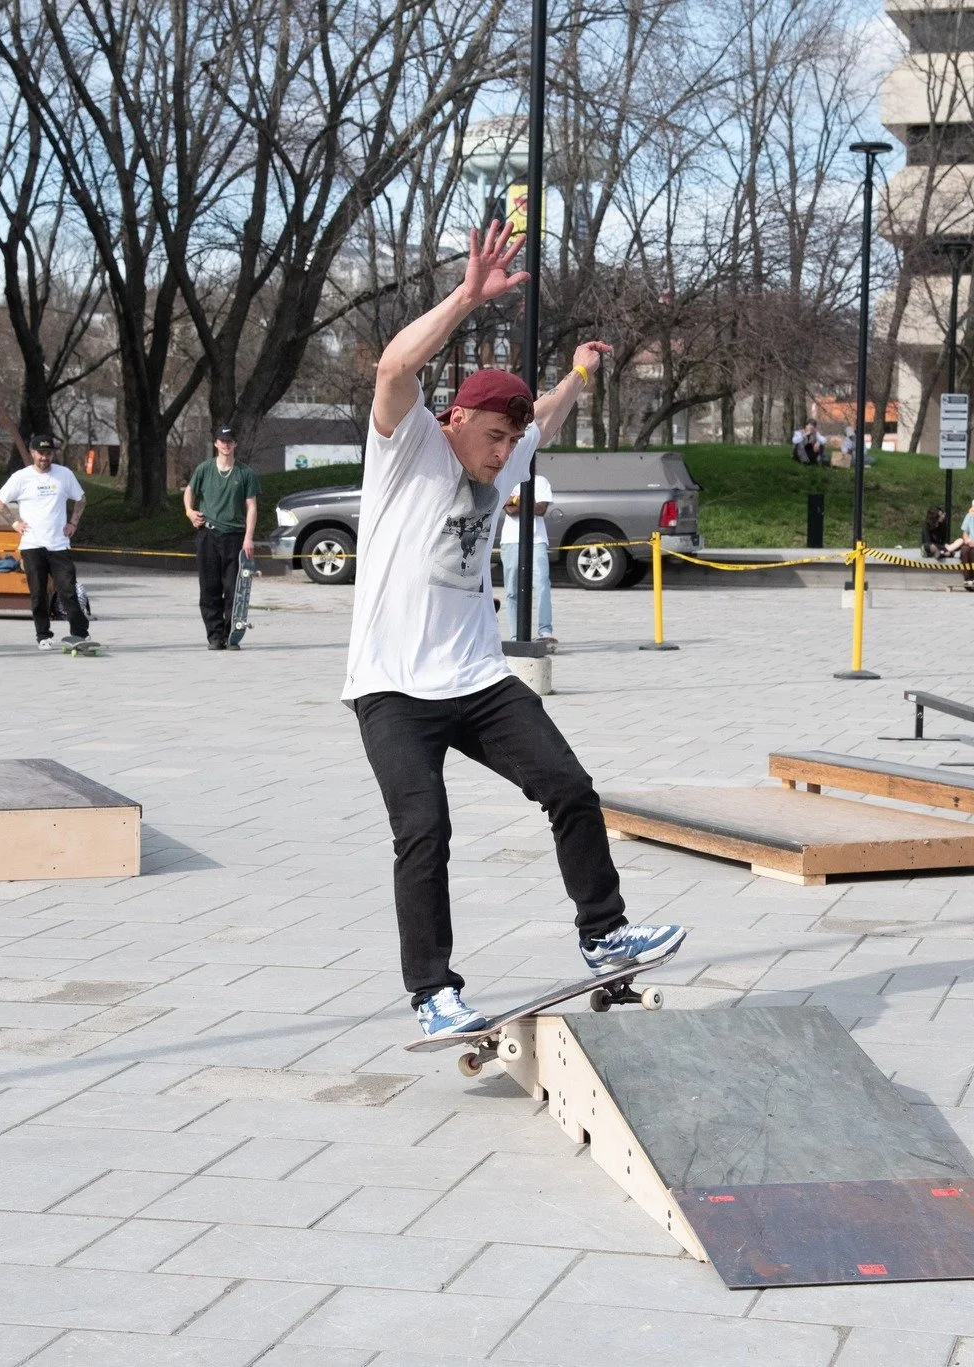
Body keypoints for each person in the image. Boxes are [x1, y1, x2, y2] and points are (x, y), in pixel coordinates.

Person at [348, 219, 684, 1040]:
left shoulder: (507, 451)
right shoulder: (408, 447)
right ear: (457, 419)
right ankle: (433, 991)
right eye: (492, 439)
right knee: (424, 828)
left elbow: (546, 419)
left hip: (478, 682)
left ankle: (604, 934)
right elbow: (395, 366)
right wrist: (467, 296)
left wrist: (579, 375)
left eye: (509, 443)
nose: (502, 457)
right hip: (391, 688)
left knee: (570, 787)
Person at [0, 433, 90, 650]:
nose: (44, 458)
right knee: (38, 593)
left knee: (68, 590)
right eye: (40, 453)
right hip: (32, 545)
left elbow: (81, 499)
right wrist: (15, 523)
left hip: (58, 544)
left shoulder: (64, 475)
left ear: (52, 454)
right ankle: (43, 635)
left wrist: (73, 523)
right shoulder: (21, 477)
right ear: (32, 453)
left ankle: (80, 633)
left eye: (48, 453)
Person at [184, 425, 260, 650]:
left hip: (235, 537)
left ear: (235, 444)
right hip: (208, 534)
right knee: (209, 587)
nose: (226, 445)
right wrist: (189, 511)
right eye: (222, 441)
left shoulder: (245, 473)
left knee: (234, 587)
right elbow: (189, 490)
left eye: (230, 441)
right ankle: (214, 636)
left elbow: (252, 507)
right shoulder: (205, 469)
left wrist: (248, 537)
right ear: (216, 443)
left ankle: (231, 634)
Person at [499, 474, 556, 647]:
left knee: (542, 583)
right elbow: (509, 511)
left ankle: (545, 630)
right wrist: (526, 502)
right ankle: (517, 635)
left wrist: (515, 500)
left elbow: (540, 509)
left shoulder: (540, 481)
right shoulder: (507, 479)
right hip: (510, 540)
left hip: (536, 539)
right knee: (512, 589)